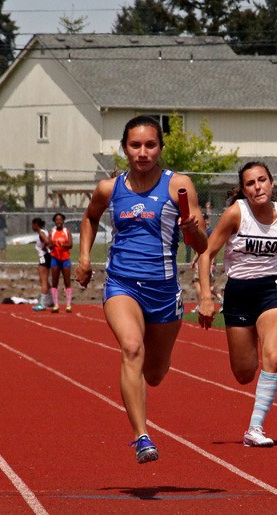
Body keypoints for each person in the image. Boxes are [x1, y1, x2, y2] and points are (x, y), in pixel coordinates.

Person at [74, 115, 207, 463]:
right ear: (124, 148)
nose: (143, 152)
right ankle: (141, 435)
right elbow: (89, 218)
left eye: (150, 145)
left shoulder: (179, 185)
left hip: (163, 291)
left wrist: (193, 228)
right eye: (135, 145)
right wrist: (84, 258)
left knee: (155, 373)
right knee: (132, 348)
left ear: (160, 148)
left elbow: (201, 244)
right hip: (122, 283)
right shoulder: (109, 188)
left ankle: (156, 365)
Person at [197, 161, 277, 447]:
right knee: (244, 373)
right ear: (244, 190)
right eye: (250, 183)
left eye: (262, 180)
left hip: (269, 291)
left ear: (272, 183)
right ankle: (248, 362)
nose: (257, 187)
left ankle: (255, 428)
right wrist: (205, 296)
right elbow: (207, 254)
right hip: (238, 294)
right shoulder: (236, 213)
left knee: (273, 358)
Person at [190, 212, 222, 312]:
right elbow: (200, 250)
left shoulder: (209, 232)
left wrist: (212, 263)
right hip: (201, 260)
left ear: (207, 220)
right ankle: (221, 300)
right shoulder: (203, 231)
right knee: (206, 284)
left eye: (203, 219)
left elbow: (211, 250)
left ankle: (202, 304)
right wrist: (194, 260)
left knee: (202, 284)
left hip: (205, 262)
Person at [49, 213, 74, 313]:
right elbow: (49, 244)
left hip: (65, 259)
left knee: (67, 281)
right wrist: (53, 244)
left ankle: (68, 305)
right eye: (57, 220)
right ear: (54, 221)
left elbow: (70, 244)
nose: (59, 222)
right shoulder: (52, 231)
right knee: (55, 281)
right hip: (55, 258)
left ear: (63, 221)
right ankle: (56, 305)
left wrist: (63, 244)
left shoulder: (66, 231)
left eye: (60, 220)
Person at [31, 217, 52, 311]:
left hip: (44, 257)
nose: (32, 227)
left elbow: (47, 241)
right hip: (46, 256)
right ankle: (52, 300)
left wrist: (45, 248)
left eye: (32, 225)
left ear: (36, 225)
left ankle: (42, 303)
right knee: (44, 280)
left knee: (43, 280)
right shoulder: (44, 231)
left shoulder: (41, 233)